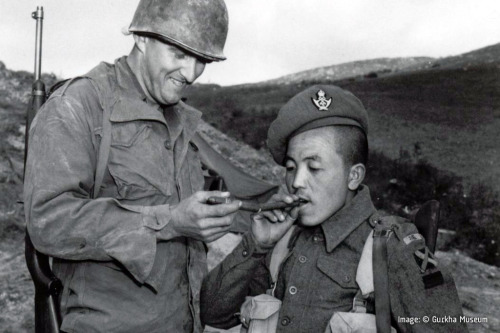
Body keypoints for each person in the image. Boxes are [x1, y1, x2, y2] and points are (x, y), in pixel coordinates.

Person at [23, 0, 243, 332]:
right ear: (141, 37)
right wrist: (169, 222)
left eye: (203, 60)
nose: (192, 73)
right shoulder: (79, 106)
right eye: (180, 54)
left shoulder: (180, 120)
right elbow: (48, 221)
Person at [200, 85, 467, 332]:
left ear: (354, 176)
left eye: (314, 167)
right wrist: (255, 245)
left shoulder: (394, 247)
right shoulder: (282, 241)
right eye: (291, 167)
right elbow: (213, 314)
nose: (296, 181)